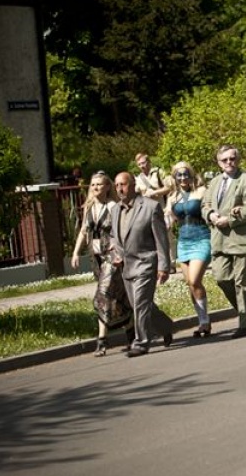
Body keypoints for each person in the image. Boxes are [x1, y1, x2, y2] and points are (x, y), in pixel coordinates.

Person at [109, 172, 174, 357]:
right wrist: (115, 252)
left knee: (140, 304)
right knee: (141, 304)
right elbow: (115, 235)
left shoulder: (150, 207)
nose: (120, 189)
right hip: (126, 266)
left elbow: (161, 240)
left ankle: (141, 342)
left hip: (146, 262)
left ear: (133, 185)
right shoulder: (115, 210)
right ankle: (165, 326)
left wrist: (164, 266)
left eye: (123, 184)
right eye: (117, 185)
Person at [201, 144, 246, 338]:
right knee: (221, 277)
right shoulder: (215, 182)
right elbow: (205, 205)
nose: (229, 163)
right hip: (218, 239)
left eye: (232, 159)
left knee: (243, 282)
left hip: (239, 237)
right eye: (224, 160)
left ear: (238, 159)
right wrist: (210, 215)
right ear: (219, 162)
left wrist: (231, 219)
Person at [71, 171, 127, 356]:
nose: (95, 187)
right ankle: (133, 329)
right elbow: (83, 231)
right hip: (95, 258)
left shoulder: (113, 206)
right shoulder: (89, 207)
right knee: (117, 297)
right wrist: (76, 252)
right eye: (93, 184)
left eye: (99, 184)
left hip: (112, 257)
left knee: (102, 295)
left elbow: (121, 231)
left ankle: (102, 341)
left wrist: (119, 251)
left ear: (108, 186)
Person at [166, 161, 212, 337]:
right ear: (175, 177)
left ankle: (205, 321)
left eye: (186, 174)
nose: (183, 178)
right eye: (179, 175)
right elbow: (168, 217)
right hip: (183, 242)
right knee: (190, 285)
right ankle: (203, 322)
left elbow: (209, 209)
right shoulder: (173, 197)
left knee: (194, 280)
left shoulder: (201, 192)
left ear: (191, 175)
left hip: (201, 238)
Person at [135, 153, 175, 267]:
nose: (142, 166)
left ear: (149, 162)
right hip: (147, 211)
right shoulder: (138, 179)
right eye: (139, 164)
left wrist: (155, 192)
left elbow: (170, 187)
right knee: (153, 238)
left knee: (167, 236)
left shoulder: (158, 173)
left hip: (162, 209)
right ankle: (160, 264)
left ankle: (171, 263)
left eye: (143, 163)